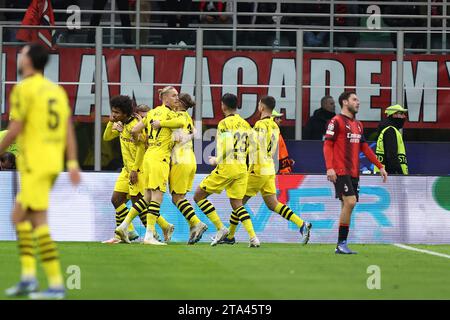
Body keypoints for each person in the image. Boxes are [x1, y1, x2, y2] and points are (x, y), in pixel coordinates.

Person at [0, 43, 81, 299]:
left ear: (29, 61)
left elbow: (15, 129)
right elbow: (68, 128)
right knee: (27, 218)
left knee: (25, 218)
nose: (20, 56)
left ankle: (54, 284)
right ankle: (29, 278)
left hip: (35, 162)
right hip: (51, 162)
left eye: (22, 53)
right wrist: (72, 163)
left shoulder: (24, 89)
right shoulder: (55, 90)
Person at [219, 96, 312, 245]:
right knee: (272, 204)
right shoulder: (275, 126)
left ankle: (230, 236)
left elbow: (252, 146)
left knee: (238, 202)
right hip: (269, 169)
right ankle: (302, 224)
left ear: (261, 107)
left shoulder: (259, 125)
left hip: (258, 168)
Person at [116, 86, 184, 245]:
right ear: (165, 98)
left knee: (146, 196)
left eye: (177, 96)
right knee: (157, 196)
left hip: (148, 156)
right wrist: (162, 124)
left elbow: (134, 129)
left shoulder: (152, 112)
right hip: (159, 158)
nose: (177, 98)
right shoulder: (172, 114)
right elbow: (181, 122)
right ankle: (148, 236)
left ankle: (124, 225)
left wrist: (139, 137)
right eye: (174, 96)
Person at [323, 91, 387, 255]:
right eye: (355, 99)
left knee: (347, 205)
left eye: (358, 99)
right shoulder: (336, 121)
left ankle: (341, 245)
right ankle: (341, 244)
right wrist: (329, 167)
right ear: (345, 102)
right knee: (350, 202)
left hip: (354, 172)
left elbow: (364, 147)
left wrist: (380, 166)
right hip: (340, 170)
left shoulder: (358, 125)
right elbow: (327, 145)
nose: (358, 102)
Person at [193, 93, 260, 247]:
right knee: (237, 204)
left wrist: (216, 159)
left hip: (227, 166)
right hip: (242, 167)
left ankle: (221, 228)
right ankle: (253, 237)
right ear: (237, 105)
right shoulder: (245, 124)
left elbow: (228, 146)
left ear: (223, 105)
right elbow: (252, 147)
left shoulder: (224, 123)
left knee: (198, 196)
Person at [152, 93, 208, 244]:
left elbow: (175, 131)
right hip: (190, 159)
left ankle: (197, 223)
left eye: (177, 99)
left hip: (180, 160)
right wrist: (187, 137)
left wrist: (160, 123)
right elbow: (195, 132)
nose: (174, 100)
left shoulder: (179, 117)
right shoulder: (186, 117)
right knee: (179, 197)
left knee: (177, 198)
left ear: (181, 103)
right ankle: (193, 225)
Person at [101, 95, 148, 244]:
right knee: (116, 200)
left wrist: (134, 169)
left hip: (139, 169)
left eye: (117, 112)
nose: (114, 114)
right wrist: (111, 122)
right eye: (112, 111)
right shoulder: (120, 124)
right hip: (126, 170)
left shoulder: (136, 125)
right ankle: (129, 231)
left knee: (138, 203)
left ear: (126, 113)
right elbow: (107, 137)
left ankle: (153, 233)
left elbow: (141, 148)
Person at [374, 105, 409, 175]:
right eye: (401, 114)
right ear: (394, 114)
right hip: (390, 176)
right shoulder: (390, 130)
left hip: (384, 174)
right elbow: (391, 155)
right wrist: (399, 173)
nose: (404, 117)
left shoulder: (387, 129)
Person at [271, 110, 295, 174]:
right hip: (277, 173)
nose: (280, 120)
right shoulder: (272, 134)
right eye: (277, 118)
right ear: (271, 120)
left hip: (281, 171)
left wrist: (288, 162)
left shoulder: (277, 133)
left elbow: (281, 153)